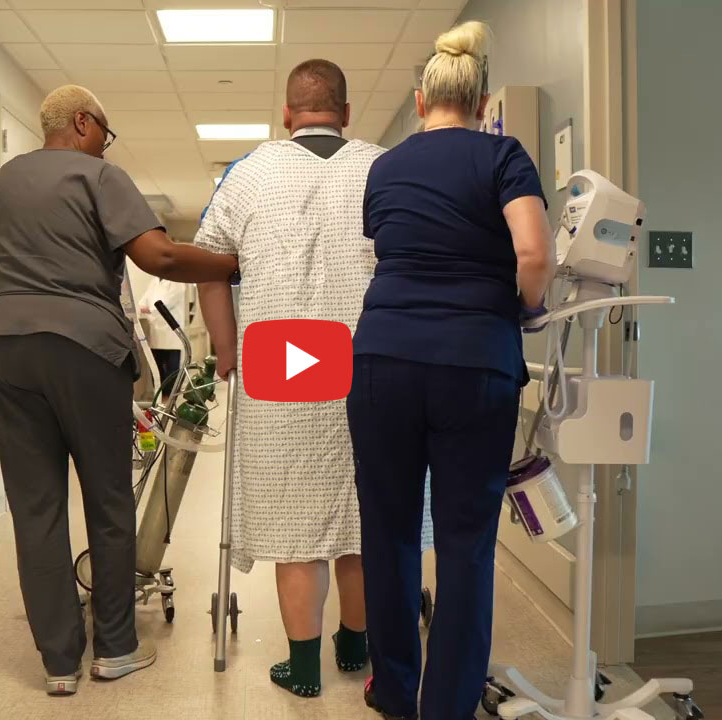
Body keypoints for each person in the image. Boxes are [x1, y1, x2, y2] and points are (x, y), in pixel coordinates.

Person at [0, 84, 238, 696]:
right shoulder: (99, 175)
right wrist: (232, 264)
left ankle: (59, 662)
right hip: (83, 347)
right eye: (106, 133)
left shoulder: (3, 181)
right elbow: (161, 258)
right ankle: (116, 648)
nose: (105, 145)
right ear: (84, 121)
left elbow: (16, 256)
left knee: (35, 507)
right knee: (108, 498)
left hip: (6, 344)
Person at [195, 59, 433, 699]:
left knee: (296, 525)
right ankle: (355, 650)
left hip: (279, 374)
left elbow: (209, 266)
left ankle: (302, 669)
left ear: (287, 114)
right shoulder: (387, 166)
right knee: (364, 516)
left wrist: (225, 352)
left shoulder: (247, 174)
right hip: (371, 365)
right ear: (348, 113)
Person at [347, 22, 555, 720]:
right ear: (483, 98)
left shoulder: (385, 166)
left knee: (390, 529)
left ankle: (395, 690)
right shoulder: (504, 157)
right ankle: (449, 703)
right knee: (465, 540)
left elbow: (392, 245)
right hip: (474, 363)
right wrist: (529, 311)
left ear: (420, 98)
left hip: (382, 361)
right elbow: (532, 255)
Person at [137, 276, 190, 401]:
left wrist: (149, 309)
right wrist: (140, 308)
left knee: (171, 370)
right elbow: (143, 301)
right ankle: (159, 397)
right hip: (156, 332)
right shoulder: (154, 281)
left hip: (171, 333)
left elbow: (166, 303)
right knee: (156, 368)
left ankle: (170, 399)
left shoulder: (177, 282)